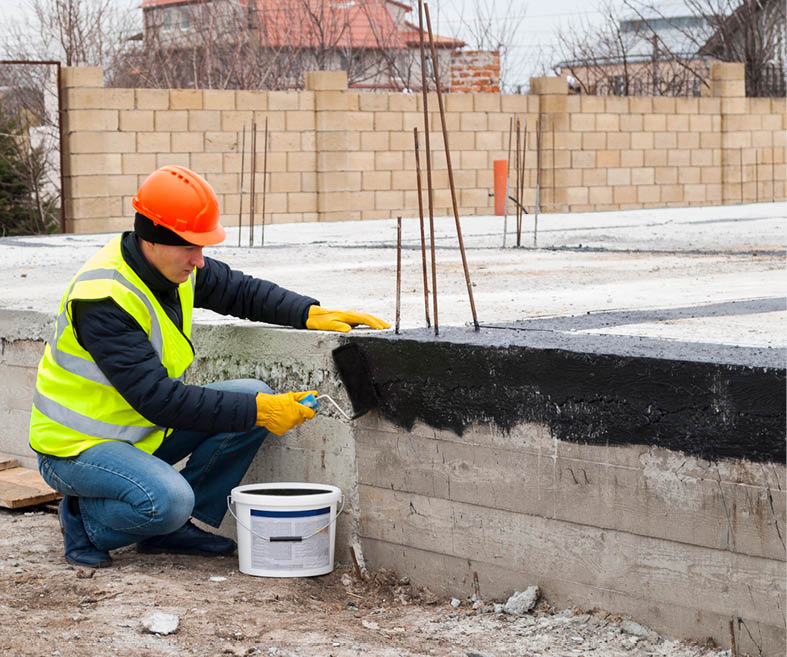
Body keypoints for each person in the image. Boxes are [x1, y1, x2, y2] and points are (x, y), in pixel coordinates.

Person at [29, 165, 389, 568]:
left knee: (252, 394)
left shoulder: (171, 267)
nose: (199, 261)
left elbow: (241, 291)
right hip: (76, 448)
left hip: (139, 434)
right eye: (191, 247)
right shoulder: (104, 298)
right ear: (152, 240)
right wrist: (263, 411)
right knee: (171, 498)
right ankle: (85, 520)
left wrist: (309, 312)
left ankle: (169, 529)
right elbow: (159, 400)